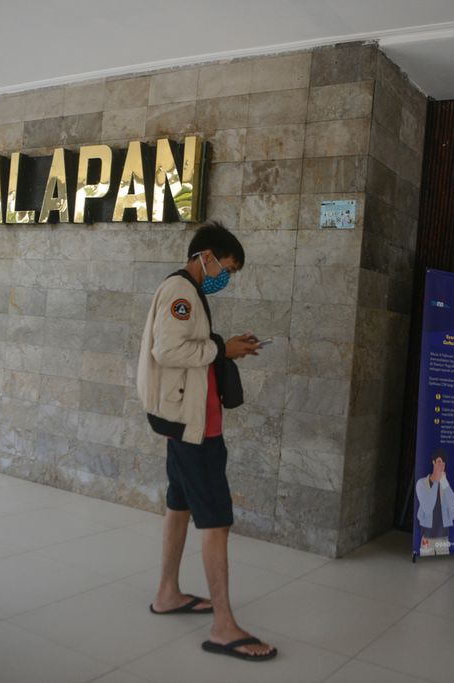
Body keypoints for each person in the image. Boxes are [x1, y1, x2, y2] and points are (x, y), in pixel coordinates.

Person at [137, 222, 276, 662]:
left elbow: (190, 346)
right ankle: (223, 626)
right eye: (226, 268)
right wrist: (222, 351)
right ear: (206, 256)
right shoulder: (181, 292)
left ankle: (167, 593)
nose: (225, 278)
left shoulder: (189, 292)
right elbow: (169, 351)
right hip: (196, 430)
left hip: (187, 422)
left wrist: (223, 345)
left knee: (179, 507)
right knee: (216, 522)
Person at [416, 450, 454, 556]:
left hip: (443, 535)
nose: (441, 465)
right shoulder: (421, 483)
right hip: (427, 534)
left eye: (443, 463)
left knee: (443, 567)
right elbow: (427, 508)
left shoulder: (444, 484)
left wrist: (444, 482)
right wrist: (436, 482)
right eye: (439, 462)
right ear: (433, 462)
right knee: (425, 569)